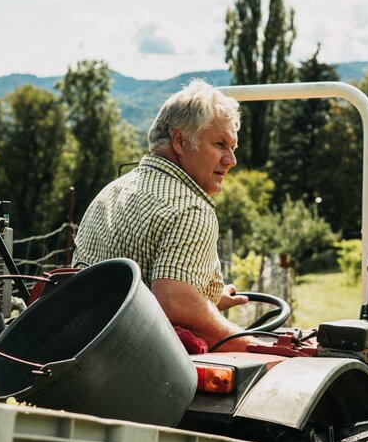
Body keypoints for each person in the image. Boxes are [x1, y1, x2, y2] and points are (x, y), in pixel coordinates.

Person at [73, 79, 256, 352]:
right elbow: (174, 303)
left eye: (233, 148)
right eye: (220, 144)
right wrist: (253, 344)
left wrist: (208, 297)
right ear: (180, 141)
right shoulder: (191, 208)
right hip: (137, 363)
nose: (231, 160)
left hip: (82, 345)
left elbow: (141, 278)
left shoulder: (111, 192)